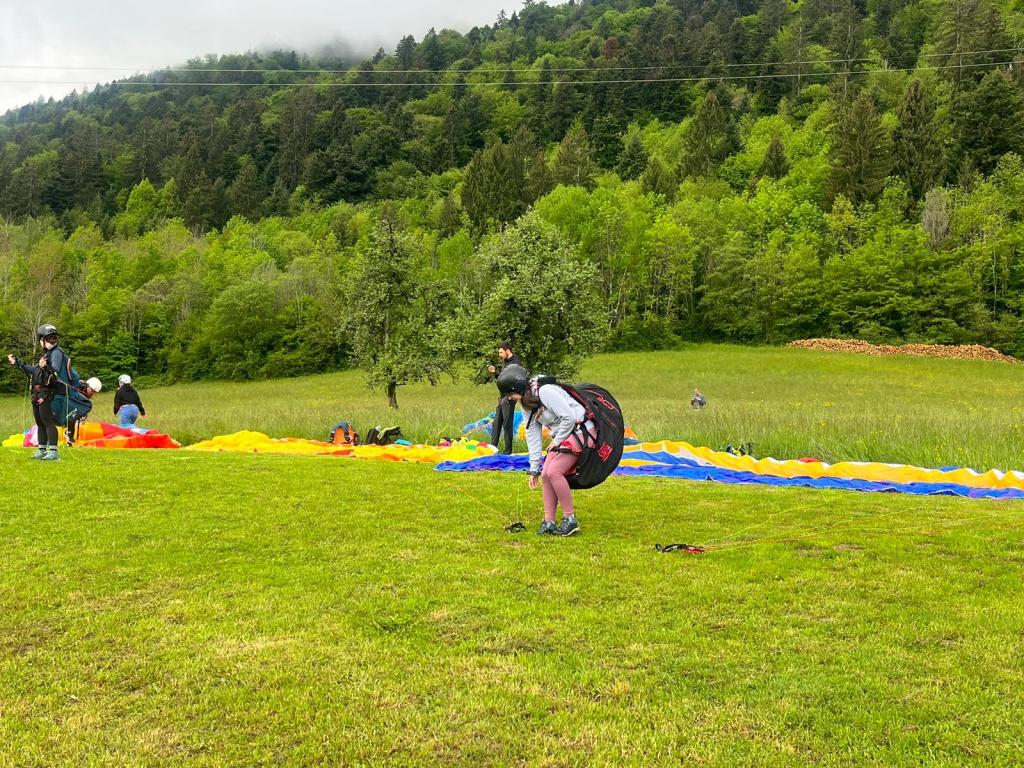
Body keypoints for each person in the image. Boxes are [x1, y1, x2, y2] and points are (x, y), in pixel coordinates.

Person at [498, 368, 592, 537]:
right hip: (564, 435)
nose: (510, 398)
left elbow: (569, 417)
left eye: (510, 394)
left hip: (581, 431)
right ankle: (549, 522)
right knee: (546, 474)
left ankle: (570, 519)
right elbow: (532, 434)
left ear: (518, 387)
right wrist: (534, 469)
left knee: (554, 471)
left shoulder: (545, 391)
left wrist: (557, 441)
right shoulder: (527, 404)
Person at [6, 325, 68, 460]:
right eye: (49, 339)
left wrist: (45, 366)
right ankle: (42, 449)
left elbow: (55, 371)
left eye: (54, 338)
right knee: (40, 422)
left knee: (48, 421)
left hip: (48, 394)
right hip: (37, 393)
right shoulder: (46, 355)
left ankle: (53, 451)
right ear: (42, 341)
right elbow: (33, 370)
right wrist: (17, 363)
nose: (52, 341)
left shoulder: (56, 353)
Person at [486, 343, 524, 455]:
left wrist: (513, 395)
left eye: (501, 352)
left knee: (507, 423)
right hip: (502, 396)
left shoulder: (516, 362)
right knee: (496, 423)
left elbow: (517, 380)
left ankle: (508, 451)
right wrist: (495, 373)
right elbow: (503, 379)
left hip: (510, 396)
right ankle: (492, 449)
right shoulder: (506, 362)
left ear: (507, 351)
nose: (499, 355)